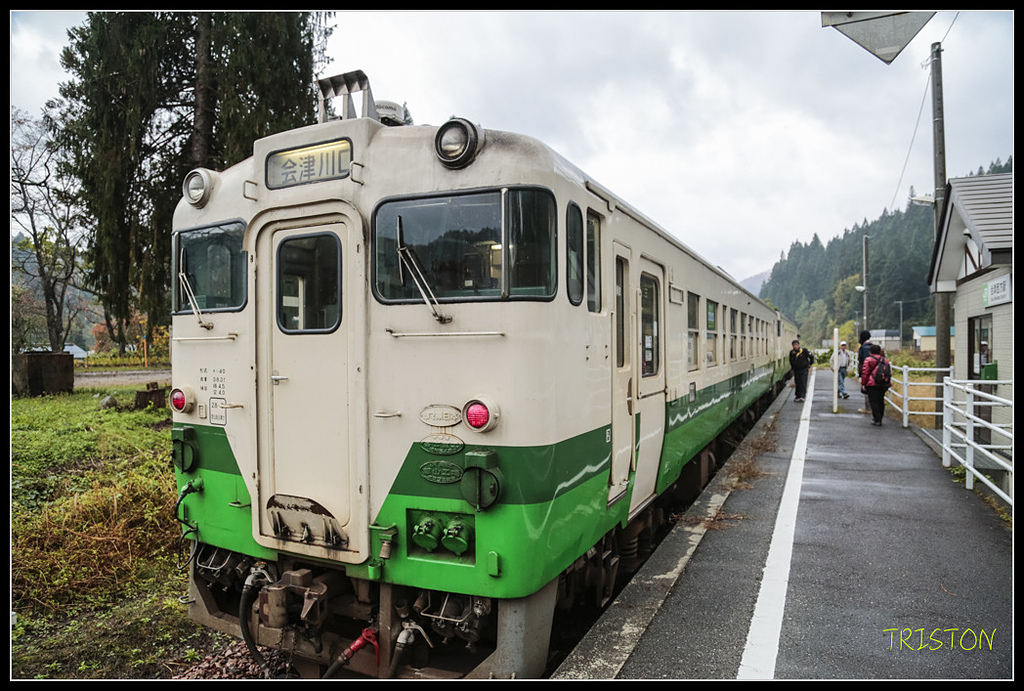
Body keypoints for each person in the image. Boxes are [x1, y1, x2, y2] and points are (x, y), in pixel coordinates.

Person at [861, 343, 888, 426]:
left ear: (870, 351)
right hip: (883, 383)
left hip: (872, 384)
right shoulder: (884, 360)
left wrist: (863, 384)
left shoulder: (868, 360)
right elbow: (888, 372)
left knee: (874, 401)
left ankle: (876, 419)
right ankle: (880, 417)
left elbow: (865, 373)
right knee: (880, 400)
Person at [856, 330, 872, 414]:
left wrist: (860, 374)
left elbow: (862, 361)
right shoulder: (872, 346)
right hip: (875, 371)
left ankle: (868, 408)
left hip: (866, 371)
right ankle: (874, 408)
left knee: (866, 389)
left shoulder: (863, 347)